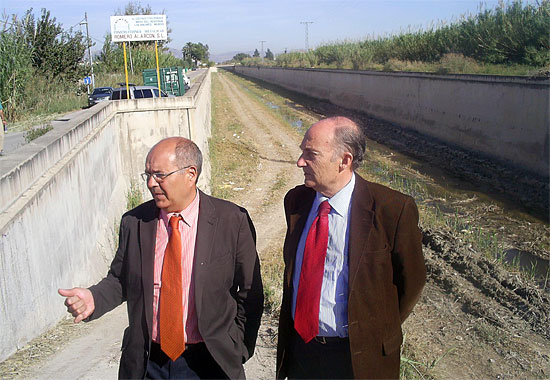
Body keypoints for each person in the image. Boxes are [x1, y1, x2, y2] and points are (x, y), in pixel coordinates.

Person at [59, 137, 264, 379]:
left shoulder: (231, 220)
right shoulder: (134, 222)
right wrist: (94, 297)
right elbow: (120, 280)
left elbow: (251, 292)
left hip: (210, 362)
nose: (150, 183)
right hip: (148, 363)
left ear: (190, 174)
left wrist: (238, 347)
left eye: (159, 175)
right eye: (147, 175)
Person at [276, 117, 426, 379]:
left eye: (310, 154)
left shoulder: (392, 210)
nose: (300, 161)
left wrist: (373, 330)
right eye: (302, 152)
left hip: (358, 359)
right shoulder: (296, 201)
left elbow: (411, 283)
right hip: (301, 352)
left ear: (344, 161)